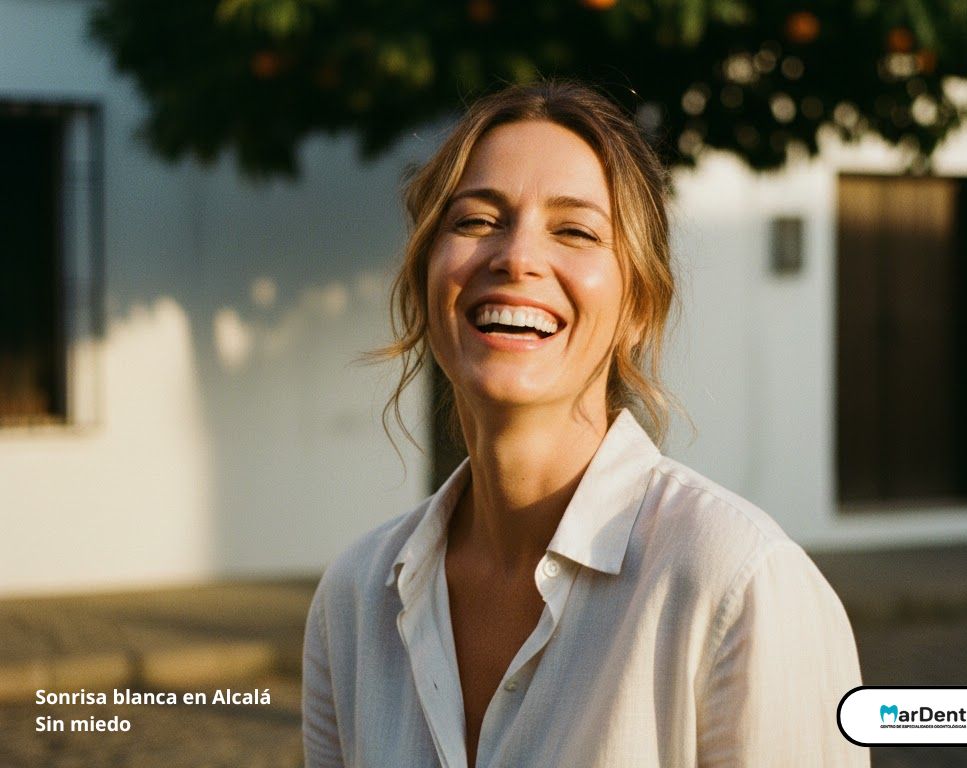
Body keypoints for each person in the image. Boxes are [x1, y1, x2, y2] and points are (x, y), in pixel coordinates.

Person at [302, 80, 867, 768]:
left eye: (574, 230)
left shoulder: (737, 583)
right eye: (477, 220)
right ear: (426, 275)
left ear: (638, 307)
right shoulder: (355, 599)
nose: (516, 258)